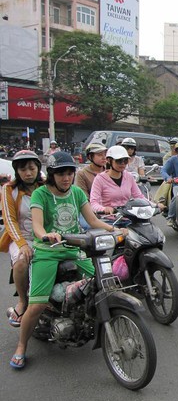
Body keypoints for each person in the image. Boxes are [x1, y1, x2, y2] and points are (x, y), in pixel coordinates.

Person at [9, 152, 122, 370]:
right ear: (51, 174)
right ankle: (21, 345)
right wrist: (46, 235)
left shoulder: (77, 193)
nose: (66, 178)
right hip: (48, 250)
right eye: (61, 174)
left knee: (105, 281)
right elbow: (37, 225)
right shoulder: (40, 194)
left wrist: (115, 229)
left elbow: (92, 220)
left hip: (74, 248)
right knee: (38, 303)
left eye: (70, 173)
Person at [1, 151, 44, 328]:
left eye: (32, 168)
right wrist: (22, 245)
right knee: (21, 262)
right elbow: (10, 221)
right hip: (21, 237)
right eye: (23, 169)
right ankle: (22, 301)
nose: (28, 173)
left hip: (44, 236)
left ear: (38, 169)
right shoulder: (9, 190)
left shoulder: (46, 187)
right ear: (17, 171)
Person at [89, 146, 146, 214]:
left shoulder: (129, 176)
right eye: (119, 161)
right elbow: (94, 203)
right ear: (109, 160)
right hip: (108, 218)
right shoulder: (99, 179)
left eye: (125, 161)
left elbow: (139, 196)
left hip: (128, 216)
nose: (122, 163)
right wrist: (104, 209)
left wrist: (154, 205)